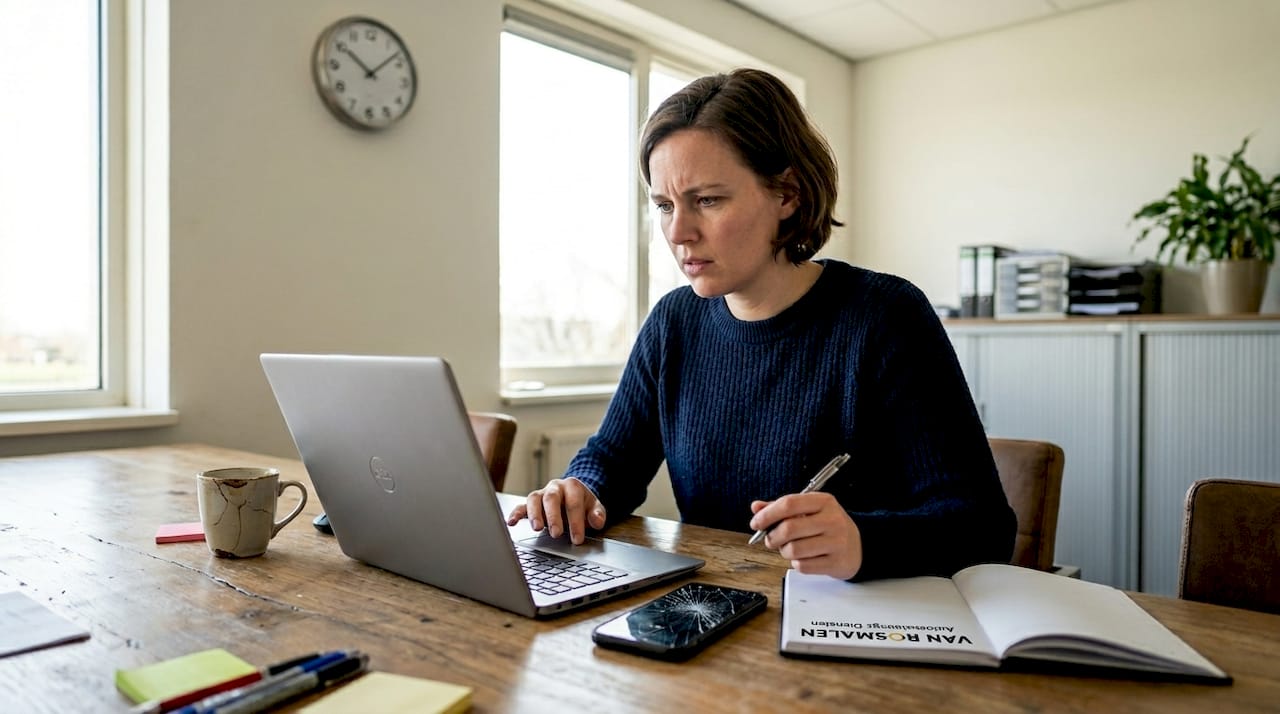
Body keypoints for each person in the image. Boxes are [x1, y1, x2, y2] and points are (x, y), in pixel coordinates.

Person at [507, 68, 1015, 581]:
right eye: (664, 205)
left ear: (787, 195)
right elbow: (612, 459)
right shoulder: (674, 321)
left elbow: (983, 528)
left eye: (707, 200)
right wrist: (579, 491)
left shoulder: (885, 315)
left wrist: (862, 539)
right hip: (712, 605)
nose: (679, 232)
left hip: (850, 618)